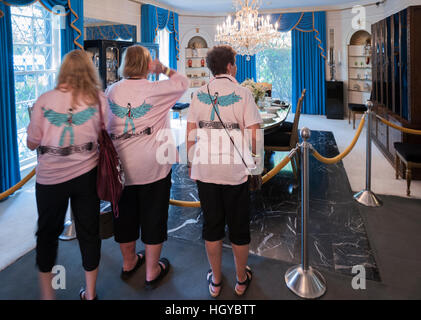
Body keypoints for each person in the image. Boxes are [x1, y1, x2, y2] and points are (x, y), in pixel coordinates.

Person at [105, 45, 189, 288]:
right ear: (146, 65)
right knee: (154, 217)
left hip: (121, 169)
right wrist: (163, 69)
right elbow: (183, 83)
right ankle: (152, 270)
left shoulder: (110, 91)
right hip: (153, 166)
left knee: (125, 217)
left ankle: (129, 261)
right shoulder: (155, 90)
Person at [27, 50, 108, 300]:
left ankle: (48, 295)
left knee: (47, 233)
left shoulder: (44, 100)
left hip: (51, 177)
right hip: (87, 173)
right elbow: (106, 131)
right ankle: (91, 293)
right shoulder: (97, 99)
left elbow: (32, 142)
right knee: (89, 231)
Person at [186, 45, 263, 297]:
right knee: (239, 227)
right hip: (234, 170)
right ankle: (241, 279)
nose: (237, 67)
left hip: (206, 170)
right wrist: (255, 166)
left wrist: (192, 163)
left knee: (212, 226)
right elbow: (254, 137)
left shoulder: (198, 94)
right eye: (236, 63)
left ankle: (216, 281)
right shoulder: (243, 93)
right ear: (230, 66)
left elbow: (190, 135)